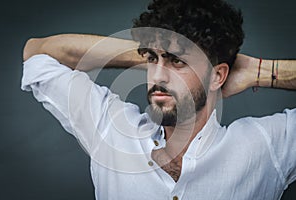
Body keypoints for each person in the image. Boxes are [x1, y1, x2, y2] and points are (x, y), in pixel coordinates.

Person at [21, 0, 296, 199]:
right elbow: (37, 53)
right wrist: (152, 47)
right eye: (152, 59)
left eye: (177, 61)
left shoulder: (266, 145)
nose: (157, 77)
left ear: (218, 76)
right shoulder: (110, 129)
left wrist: (262, 72)